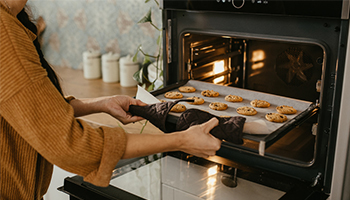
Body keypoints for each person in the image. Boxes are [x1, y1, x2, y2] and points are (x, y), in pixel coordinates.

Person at [0, 0, 222, 199]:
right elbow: (73, 145)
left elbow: (33, 109)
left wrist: (102, 103)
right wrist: (181, 140)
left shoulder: (11, 20)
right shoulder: (5, 32)